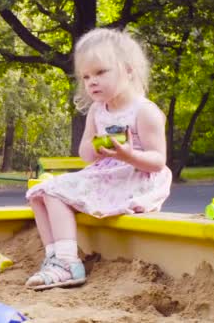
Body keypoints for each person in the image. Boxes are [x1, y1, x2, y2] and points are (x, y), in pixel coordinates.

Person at [25, 28, 172, 291]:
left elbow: (158, 161)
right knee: (39, 193)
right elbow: (85, 154)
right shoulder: (97, 110)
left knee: (55, 191)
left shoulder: (144, 111)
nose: (92, 81)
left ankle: (69, 263)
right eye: (86, 76)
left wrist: (129, 155)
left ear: (128, 70)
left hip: (135, 177)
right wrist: (96, 149)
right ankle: (55, 259)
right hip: (108, 173)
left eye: (101, 72)